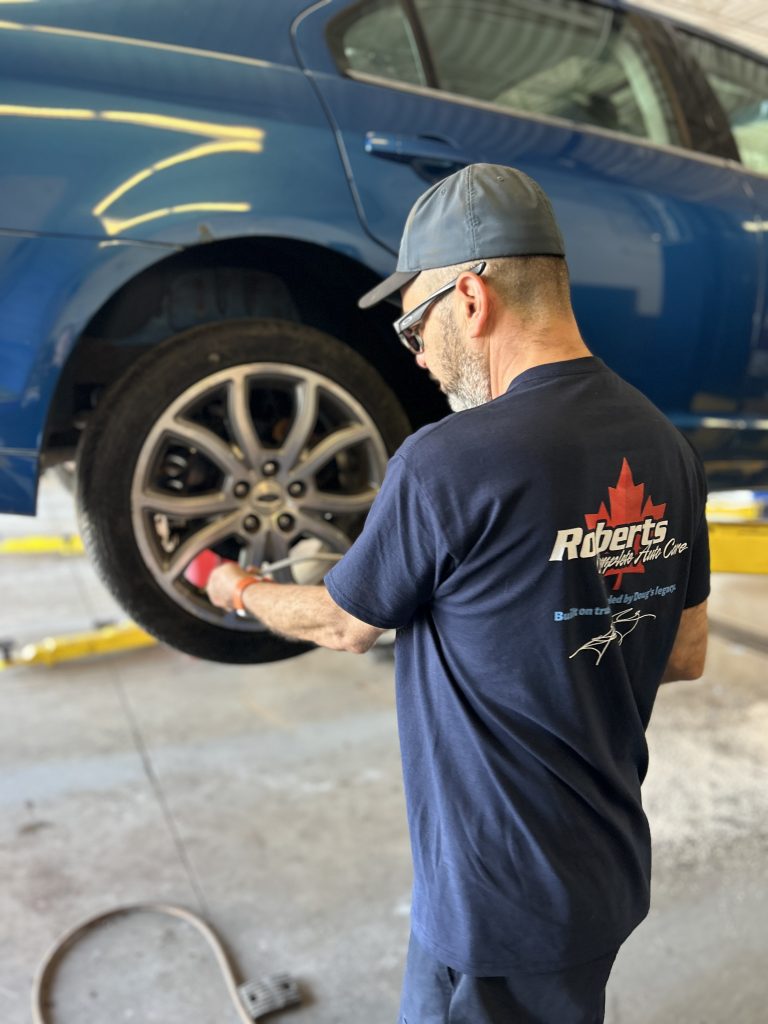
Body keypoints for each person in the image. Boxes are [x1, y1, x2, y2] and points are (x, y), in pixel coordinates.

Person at [207, 163, 710, 1024]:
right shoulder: (661, 444)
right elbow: (686, 651)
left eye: (415, 323)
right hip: (604, 875)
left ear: (471, 299)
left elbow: (341, 621)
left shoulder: (449, 461)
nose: (416, 352)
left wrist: (236, 585)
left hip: (494, 901)